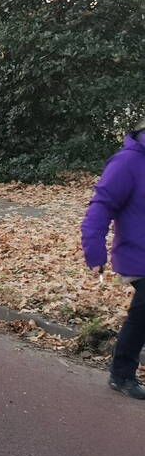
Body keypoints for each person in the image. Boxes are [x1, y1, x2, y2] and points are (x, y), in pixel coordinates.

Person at [82, 118, 145, 399]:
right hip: (138, 254)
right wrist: (94, 250)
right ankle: (121, 373)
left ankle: (121, 374)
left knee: (142, 315)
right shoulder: (127, 163)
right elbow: (101, 205)